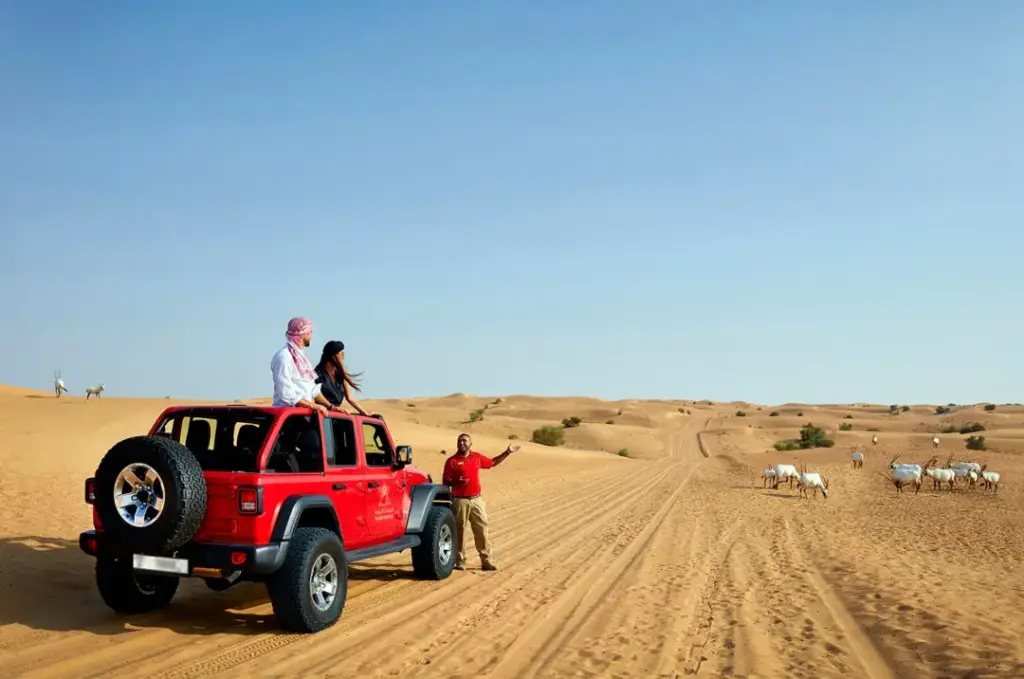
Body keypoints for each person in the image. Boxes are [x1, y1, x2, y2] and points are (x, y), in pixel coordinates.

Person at [441, 432, 517, 571]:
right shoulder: (451, 461)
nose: (461, 443)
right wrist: (457, 482)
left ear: (470, 444)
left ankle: (487, 561)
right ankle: (460, 561)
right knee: (459, 531)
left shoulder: (476, 457)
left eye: (464, 441)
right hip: (459, 501)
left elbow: (492, 463)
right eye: (459, 441)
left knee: (482, 530)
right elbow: (445, 481)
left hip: (476, 500)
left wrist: (507, 452)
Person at [270, 317, 339, 413]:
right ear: (303, 333)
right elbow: (285, 392)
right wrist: (312, 405)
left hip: (303, 412)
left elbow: (312, 390)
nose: (311, 335)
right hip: (289, 414)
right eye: (310, 331)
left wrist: (331, 407)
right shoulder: (284, 357)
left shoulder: (301, 357)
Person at [314, 340, 369, 416]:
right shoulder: (316, 374)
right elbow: (315, 395)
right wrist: (331, 407)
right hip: (322, 415)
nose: (343, 355)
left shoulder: (341, 375)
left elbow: (349, 397)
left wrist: (364, 412)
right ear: (333, 356)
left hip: (336, 415)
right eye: (340, 352)